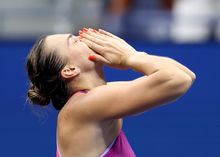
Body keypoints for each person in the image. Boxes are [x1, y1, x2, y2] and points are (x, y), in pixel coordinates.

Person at [26, 28, 196, 157]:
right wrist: (131, 57)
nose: (83, 36)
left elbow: (186, 75)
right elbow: (178, 79)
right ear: (70, 70)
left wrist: (134, 55)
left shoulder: (94, 98)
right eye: (74, 41)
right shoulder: (84, 106)